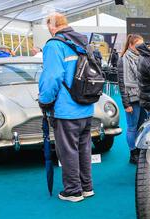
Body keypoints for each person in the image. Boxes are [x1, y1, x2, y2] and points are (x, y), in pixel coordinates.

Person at [38, 12, 95, 202]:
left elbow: (52, 77)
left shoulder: (54, 45)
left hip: (66, 109)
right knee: (84, 149)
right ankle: (86, 187)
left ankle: (73, 191)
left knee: (68, 150)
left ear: (51, 26)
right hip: (86, 107)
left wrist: (44, 101)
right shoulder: (82, 42)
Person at [118, 34, 145, 164]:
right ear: (130, 45)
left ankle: (140, 150)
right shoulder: (123, 60)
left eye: (142, 45)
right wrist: (126, 103)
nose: (140, 47)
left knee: (141, 126)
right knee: (132, 127)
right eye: (138, 45)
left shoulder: (142, 58)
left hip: (143, 98)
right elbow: (121, 84)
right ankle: (133, 153)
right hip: (132, 100)